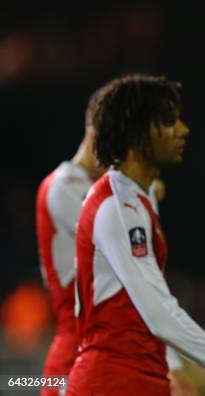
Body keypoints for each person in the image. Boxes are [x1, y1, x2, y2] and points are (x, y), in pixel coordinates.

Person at [66, 74, 205, 396]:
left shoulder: (135, 199)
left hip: (138, 377)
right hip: (111, 382)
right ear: (138, 132)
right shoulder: (119, 207)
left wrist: (170, 367)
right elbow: (159, 312)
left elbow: (147, 305)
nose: (183, 129)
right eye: (169, 121)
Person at [35, 86, 107, 396]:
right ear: (95, 132)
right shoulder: (63, 186)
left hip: (100, 356)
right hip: (74, 360)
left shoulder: (99, 190)